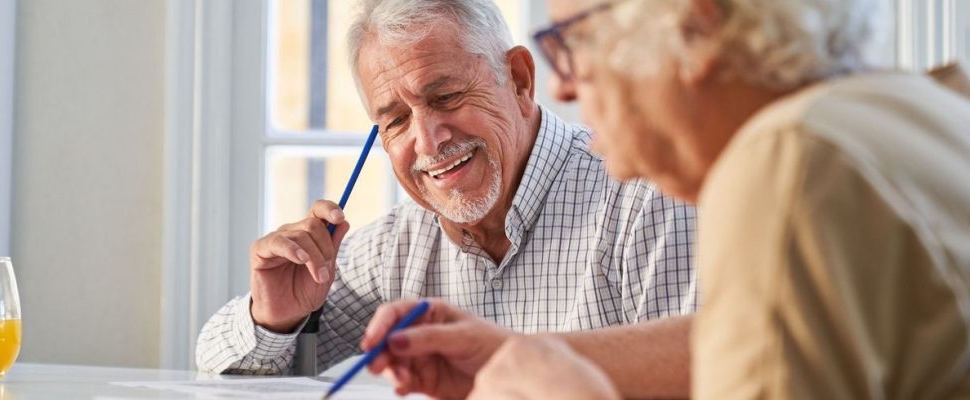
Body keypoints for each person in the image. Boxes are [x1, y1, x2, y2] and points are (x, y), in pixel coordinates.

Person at [363, 0, 970, 398]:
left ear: (696, 27)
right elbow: (763, 341)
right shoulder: (914, 109)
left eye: (572, 42)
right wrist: (517, 353)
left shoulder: (784, 160)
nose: (565, 86)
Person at [194, 0, 697, 378]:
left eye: (447, 96)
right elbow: (220, 373)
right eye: (394, 121)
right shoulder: (397, 246)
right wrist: (273, 319)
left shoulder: (647, 200)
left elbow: (715, 377)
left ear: (520, 80)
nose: (427, 139)